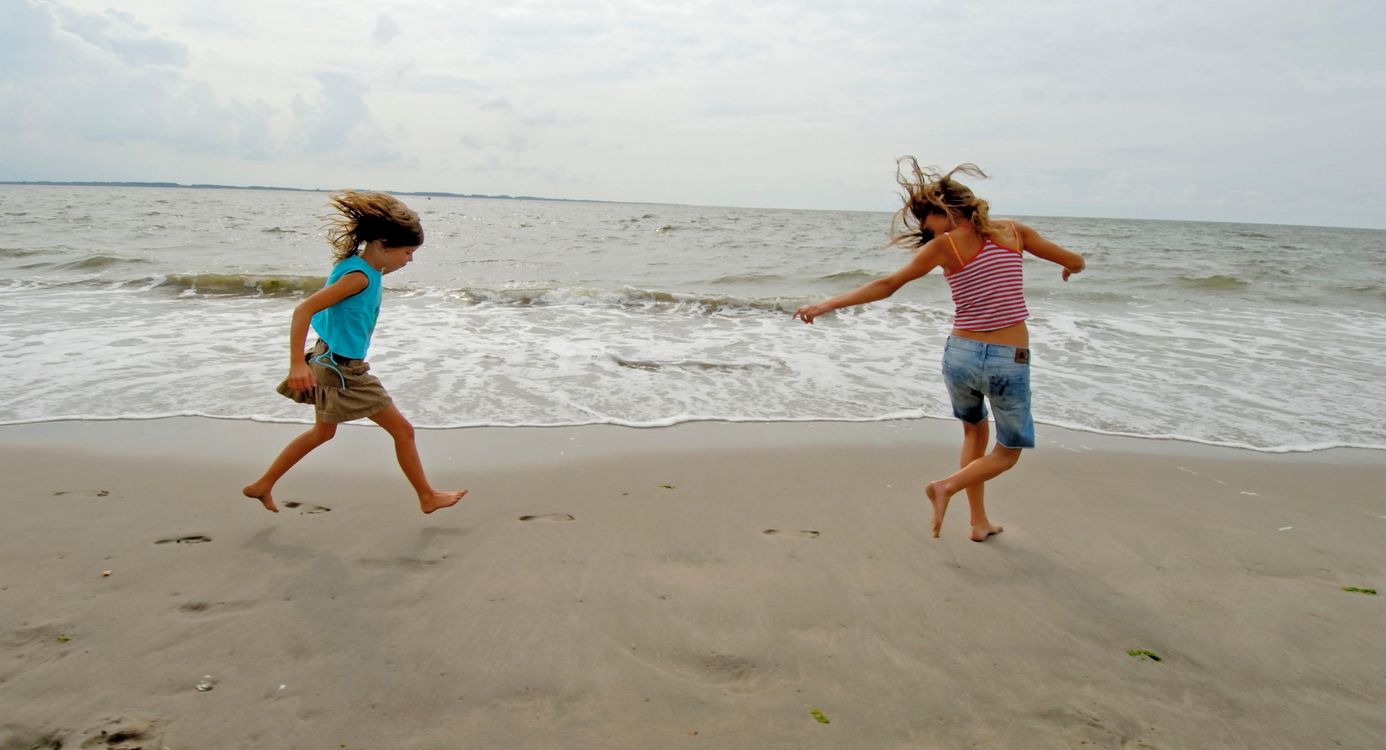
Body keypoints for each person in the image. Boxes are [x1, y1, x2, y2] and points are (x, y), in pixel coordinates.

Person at [794, 159, 1085, 541]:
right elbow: (1075, 260)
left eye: (925, 219)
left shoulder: (943, 248)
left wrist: (825, 305)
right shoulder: (1015, 232)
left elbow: (887, 285)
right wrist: (1068, 268)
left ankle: (978, 522)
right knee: (1008, 451)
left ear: (944, 211)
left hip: (960, 356)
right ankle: (946, 486)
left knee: (973, 436)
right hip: (1006, 360)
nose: (924, 228)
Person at [243, 191, 467, 514]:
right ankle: (427, 497)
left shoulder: (364, 267)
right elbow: (303, 310)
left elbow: (377, 270)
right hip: (342, 370)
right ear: (383, 244)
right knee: (403, 430)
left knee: (322, 433)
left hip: (327, 358)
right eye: (407, 252)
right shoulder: (358, 278)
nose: (410, 260)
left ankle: (263, 485)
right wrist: (295, 364)